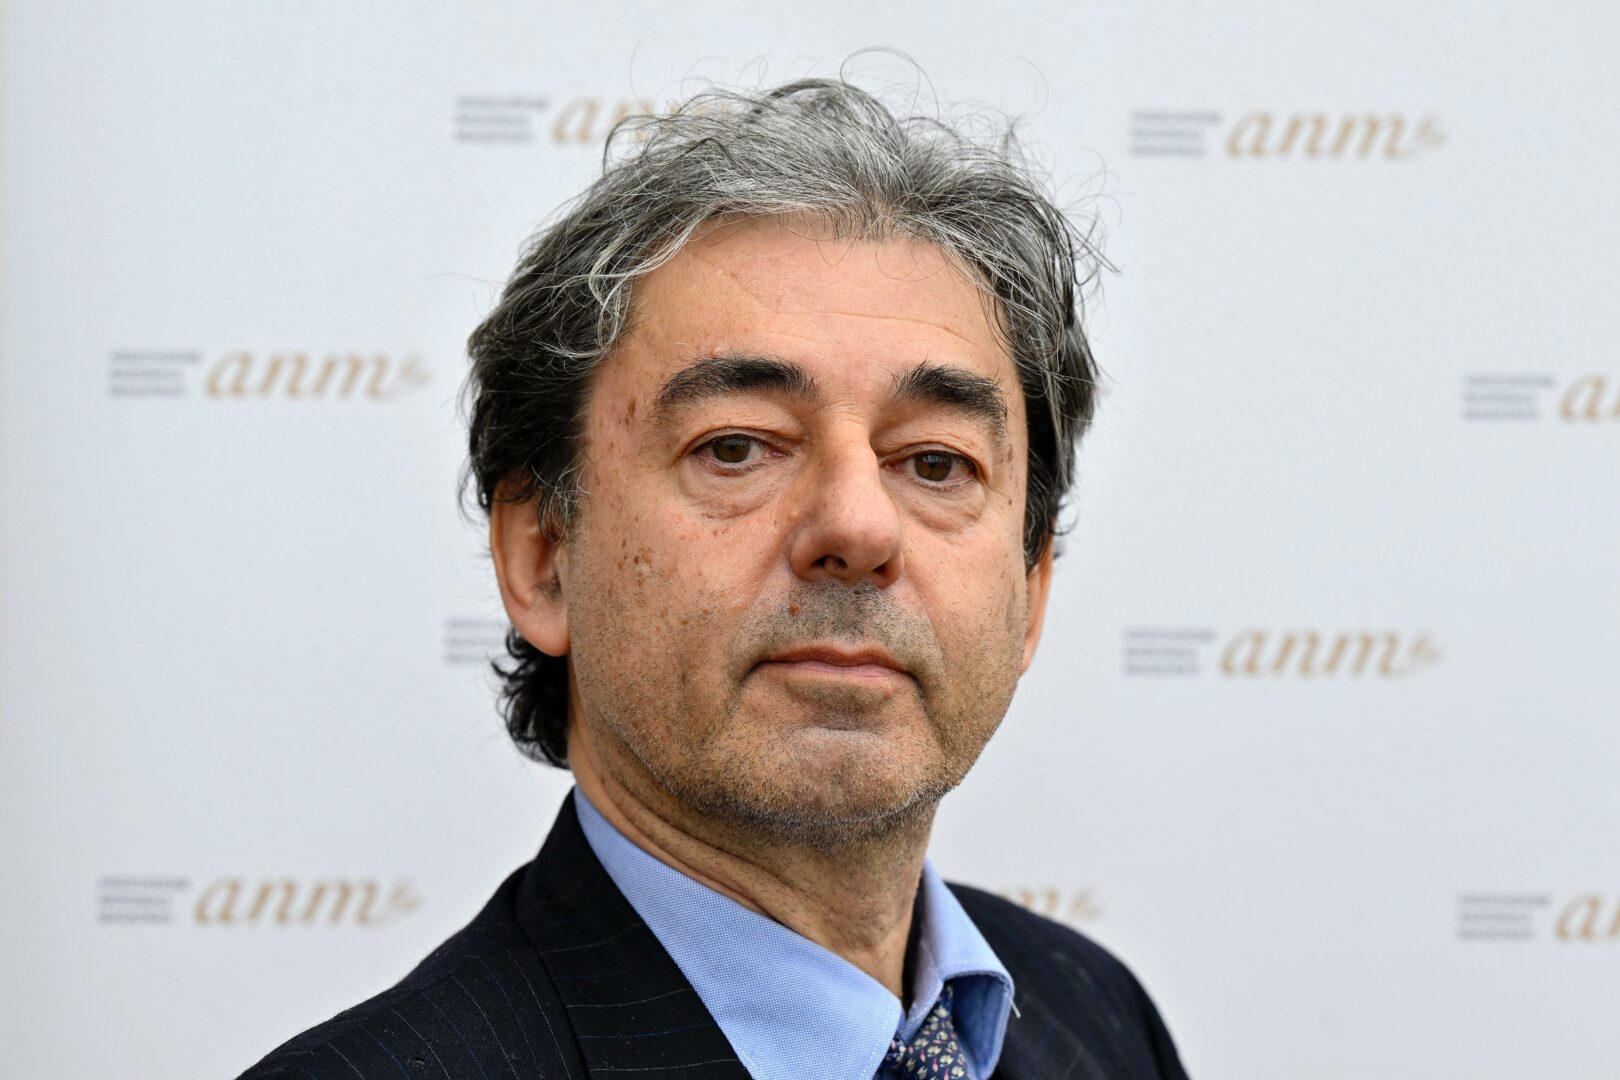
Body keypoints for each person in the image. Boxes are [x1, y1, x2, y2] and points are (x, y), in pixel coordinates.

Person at [239, 74, 1190, 1080]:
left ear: (1032, 587)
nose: (858, 526)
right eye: (736, 447)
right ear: (543, 556)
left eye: (935, 463)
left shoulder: (1095, 1018)